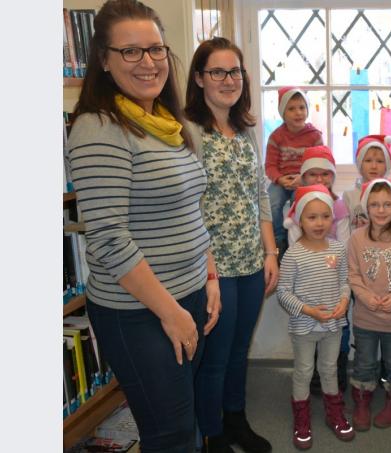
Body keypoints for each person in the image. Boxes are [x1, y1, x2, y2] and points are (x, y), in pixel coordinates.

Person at [66, 1, 220, 451]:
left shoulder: (169, 123)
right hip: (140, 312)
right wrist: (171, 313)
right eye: (130, 51)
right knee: (168, 435)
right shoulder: (98, 128)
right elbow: (110, 239)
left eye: (155, 49)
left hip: (188, 295)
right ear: (103, 58)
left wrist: (208, 275)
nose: (148, 62)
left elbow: (192, 208)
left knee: (185, 421)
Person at [184, 37, 279, 453]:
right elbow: (187, 205)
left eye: (235, 71)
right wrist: (208, 273)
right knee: (216, 356)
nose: (228, 80)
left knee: (240, 351)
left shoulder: (246, 131)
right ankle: (213, 434)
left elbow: (260, 194)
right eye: (218, 72)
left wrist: (271, 252)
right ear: (200, 78)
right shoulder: (188, 131)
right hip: (213, 269)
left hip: (251, 262)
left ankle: (236, 420)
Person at [277, 185, 355, 450]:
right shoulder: (293, 254)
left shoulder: (337, 248)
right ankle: (302, 418)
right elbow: (283, 293)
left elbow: (345, 281)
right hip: (304, 327)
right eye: (312, 217)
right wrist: (308, 310)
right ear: (299, 219)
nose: (319, 222)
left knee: (329, 369)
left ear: (332, 217)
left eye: (325, 216)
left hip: (334, 325)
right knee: (304, 371)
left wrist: (344, 301)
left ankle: (335, 413)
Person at [347, 178, 391, 431]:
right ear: (366, 207)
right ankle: (362, 400)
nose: (381, 210)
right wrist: (365, 298)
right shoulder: (356, 239)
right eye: (375, 204)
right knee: (364, 361)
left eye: (387, 204)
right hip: (365, 317)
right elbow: (353, 275)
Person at [283, 145, 351, 394]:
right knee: (306, 345)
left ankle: (335, 376)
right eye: (313, 174)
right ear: (303, 176)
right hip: (306, 288)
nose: (320, 179)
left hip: (333, 283)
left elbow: (343, 246)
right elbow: (295, 250)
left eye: (326, 173)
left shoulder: (340, 207)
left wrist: (332, 264)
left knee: (338, 337)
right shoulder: (297, 209)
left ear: (333, 176)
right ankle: (310, 381)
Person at [265, 87, 324, 255]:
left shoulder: (314, 136)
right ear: (283, 112)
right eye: (291, 109)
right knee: (272, 202)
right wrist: (279, 179)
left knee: (299, 205)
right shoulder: (276, 137)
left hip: (304, 181)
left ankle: (299, 241)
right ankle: (279, 239)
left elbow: (318, 164)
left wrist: (303, 178)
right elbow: (269, 166)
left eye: (302, 107)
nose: (298, 112)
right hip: (281, 180)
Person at [342, 134, 391, 232]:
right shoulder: (349, 194)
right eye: (368, 161)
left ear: (386, 166)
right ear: (360, 164)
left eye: (379, 161)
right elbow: (344, 229)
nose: (374, 166)